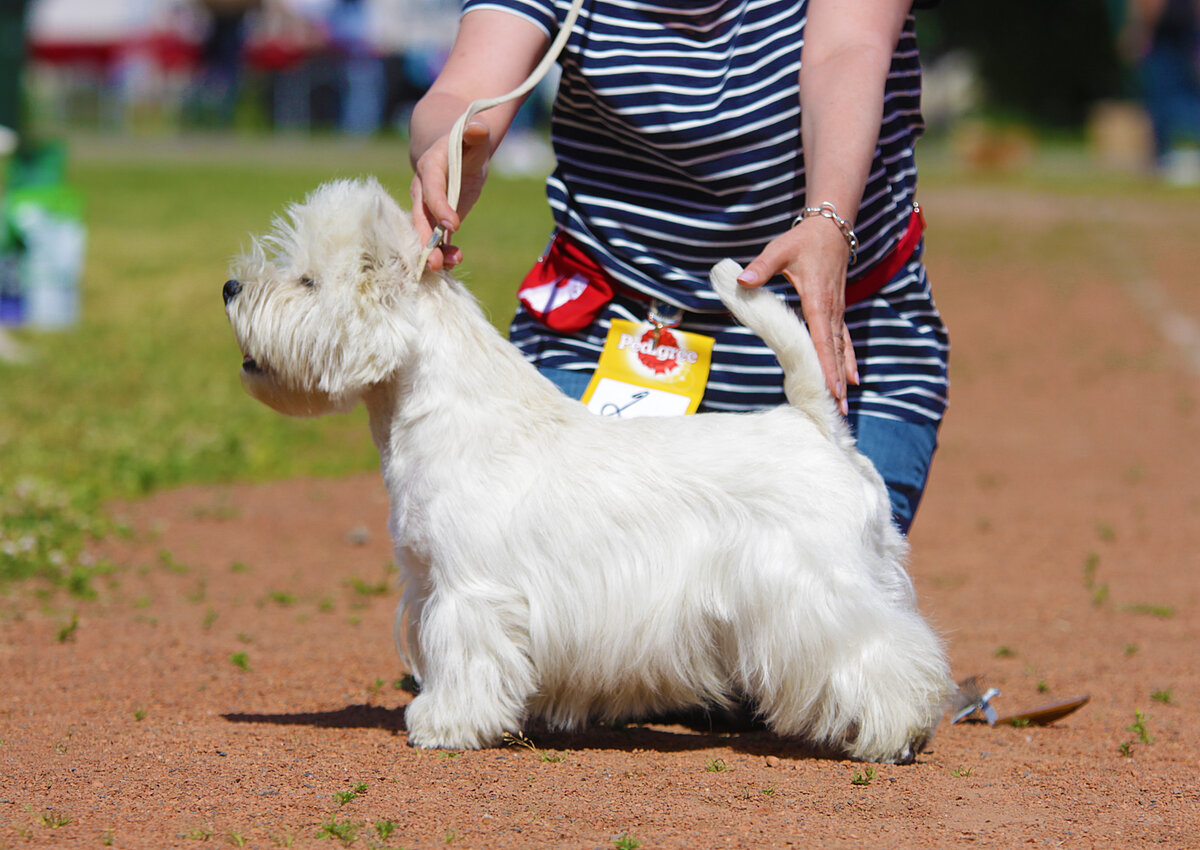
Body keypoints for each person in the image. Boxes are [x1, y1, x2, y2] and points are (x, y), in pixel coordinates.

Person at [408, 0, 948, 535]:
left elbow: (844, 51)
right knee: (575, 589)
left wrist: (828, 217)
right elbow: (464, 87)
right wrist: (453, 139)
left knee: (825, 601)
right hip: (612, 326)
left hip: (842, 339)